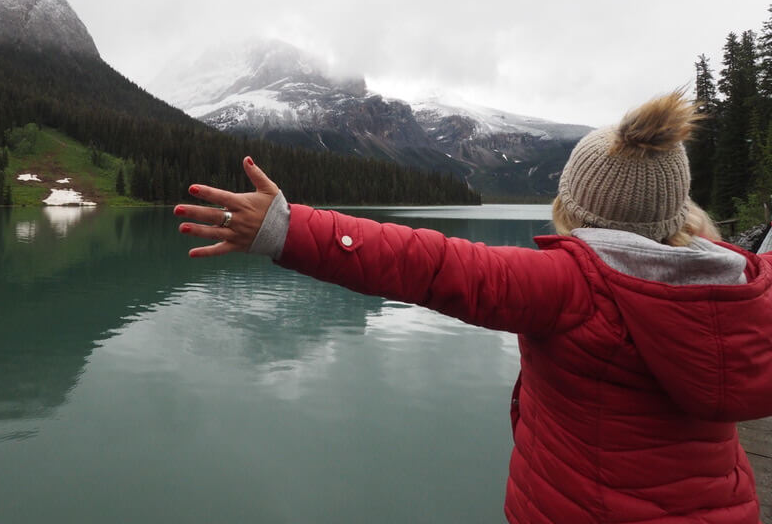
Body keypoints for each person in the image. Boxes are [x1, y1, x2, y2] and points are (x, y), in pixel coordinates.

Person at [174, 91, 772, 524]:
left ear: (576, 204)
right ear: (677, 208)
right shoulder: (744, 286)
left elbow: (429, 266)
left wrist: (286, 228)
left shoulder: (569, 287)